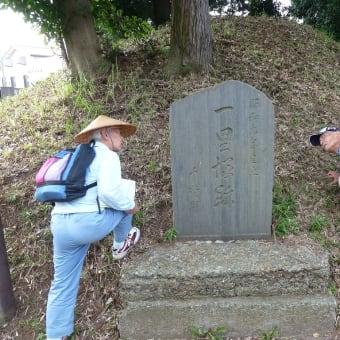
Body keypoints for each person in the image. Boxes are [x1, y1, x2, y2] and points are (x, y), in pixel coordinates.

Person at [46, 115, 140, 340]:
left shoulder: (77, 155)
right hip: (87, 224)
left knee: (62, 282)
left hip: (59, 223)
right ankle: (120, 245)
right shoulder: (107, 156)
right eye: (118, 132)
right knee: (126, 196)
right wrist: (131, 207)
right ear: (106, 134)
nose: (122, 139)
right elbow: (110, 192)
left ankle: (55, 336)